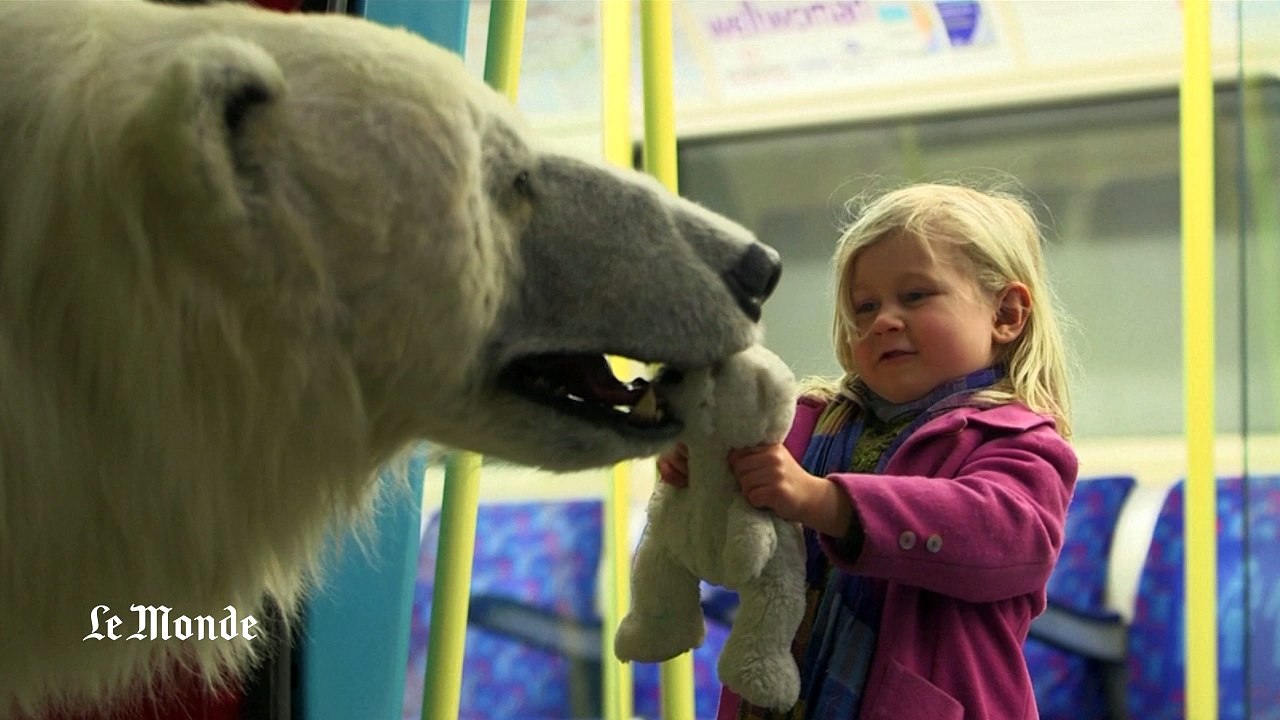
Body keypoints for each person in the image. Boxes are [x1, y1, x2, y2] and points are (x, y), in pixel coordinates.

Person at [656, 182, 1078, 720]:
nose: (884, 320)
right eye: (865, 306)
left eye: (916, 296)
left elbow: (1005, 537)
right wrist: (701, 474)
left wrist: (829, 504)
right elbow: (736, 541)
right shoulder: (805, 419)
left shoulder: (1018, 441)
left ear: (1007, 314)